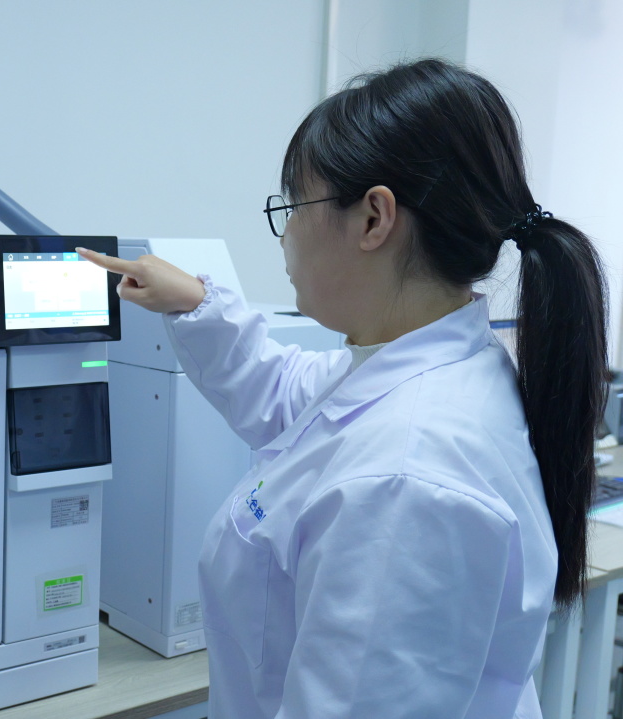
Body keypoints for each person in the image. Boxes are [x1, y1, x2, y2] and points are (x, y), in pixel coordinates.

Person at [78, 58, 607, 718]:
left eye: (294, 207)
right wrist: (195, 302)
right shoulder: (416, 367)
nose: (286, 236)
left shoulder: (405, 479)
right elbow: (286, 392)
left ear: (374, 219)